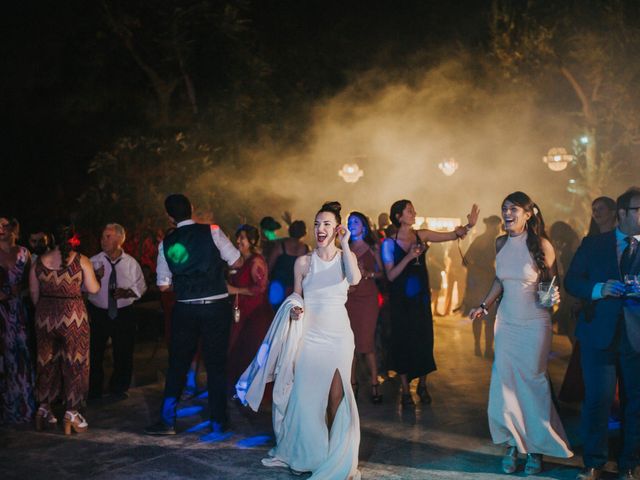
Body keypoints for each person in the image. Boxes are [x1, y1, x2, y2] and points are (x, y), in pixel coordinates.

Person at [239, 201, 362, 478]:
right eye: (317, 224)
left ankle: (335, 454)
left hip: (339, 337)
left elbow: (354, 280)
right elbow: (297, 295)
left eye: (327, 224)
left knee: (335, 398)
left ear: (337, 228)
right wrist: (295, 308)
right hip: (310, 336)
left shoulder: (346, 258)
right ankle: (309, 454)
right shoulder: (303, 262)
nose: (320, 229)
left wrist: (347, 243)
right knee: (306, 398)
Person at [469, 191, 573, 475]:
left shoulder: (543, 245)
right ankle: (513, 444)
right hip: (506, 322)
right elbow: (500, 280)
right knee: (505, 384)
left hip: (535, 323)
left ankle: (536, 449)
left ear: (529, 214)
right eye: (504, 208)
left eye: (513, 208)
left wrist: (551, 306)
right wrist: (483, 306)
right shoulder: (500, 242)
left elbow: (551, 288)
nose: (507, 213)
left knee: (533, 384)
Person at [145, 194, 242, 435]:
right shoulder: (213, 231)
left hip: (186, 307)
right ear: (192, 209)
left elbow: (164, 285)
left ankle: (167, 422)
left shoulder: (166, 243)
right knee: (216, 364)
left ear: (169, 216)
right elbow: (238, 262)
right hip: (216, 305)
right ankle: (218, 421)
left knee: (177, 364)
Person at [565, 187, 640, 480]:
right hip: (598, 333)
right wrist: (599, 289)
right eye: (638, 210)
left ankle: (630, 464)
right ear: (622, 213)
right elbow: (572, 281)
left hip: (636, 336)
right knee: (598, 400)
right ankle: (593, 463)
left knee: (635, 402)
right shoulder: (594, 244)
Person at [382, 200, 478, 405]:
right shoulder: (388, 243)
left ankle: (423, 385)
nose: (414, 212)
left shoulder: (421, 235)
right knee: (403, 342)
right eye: (409, 210)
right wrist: (409, 257)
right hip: (401, 302)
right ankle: (406, 391)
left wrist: (468, 226)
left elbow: (452, 235)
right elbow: (390, 276)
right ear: (399, 216)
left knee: (424, 340)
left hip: (420, 299)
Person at [29, 220, 100, 434]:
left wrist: (47, 310)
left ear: (50, 237)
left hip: (45, 316)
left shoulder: (38, 262)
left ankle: (43, 409)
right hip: (73, 317)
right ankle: (72, 412)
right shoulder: (81, 260)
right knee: (76, 363)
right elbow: (93, 289)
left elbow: (34, 294)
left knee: (45, 362)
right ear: (72, 237)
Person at [87, 223, 147, 400]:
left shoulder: (130, 263)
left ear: (120, 239)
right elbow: (83, 288)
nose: (103, 240)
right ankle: (94, 389)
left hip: (123, 311)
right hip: (98, 312)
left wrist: (127, 292)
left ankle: (119, 388)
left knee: (123, 351)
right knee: (95, 352)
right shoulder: (93, 261)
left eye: (108, 237)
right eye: (103, 236)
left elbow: (141, 287)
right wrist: (95, 277)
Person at [226, 224, 272, 395]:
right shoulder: (240, 260)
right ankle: (238, 389)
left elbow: (260, 287)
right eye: (238, 237)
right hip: (240, 310)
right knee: (236, 348)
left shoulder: (256, 261)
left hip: (254, 314)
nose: (238, 241)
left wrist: (234, 290)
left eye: (242, 238)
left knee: (248, 350)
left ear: (252, 241)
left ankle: (250, 391)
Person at [0, 216, 36, 423]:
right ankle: (7, 408)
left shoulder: (24, 253)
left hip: (19, 311)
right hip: (1, 313)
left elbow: (31, 283)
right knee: (5, 358)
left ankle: (25, 407)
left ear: (15, 229)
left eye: (6, 225)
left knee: (22, 355)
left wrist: (19, 291)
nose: (2, 229)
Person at [346, 211, 384, 404]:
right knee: (350, 343)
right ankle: (352, 384)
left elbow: (382, 273)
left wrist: (368, 273)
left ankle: (375, 383)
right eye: (350, 221)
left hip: (368, 297)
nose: (352, 224)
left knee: (367, 342)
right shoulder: (345, 247)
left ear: (364, 226)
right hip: (350, 297)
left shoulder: (373, 247)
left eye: (356, 221)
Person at [464, 215, 502, 358]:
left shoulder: (494, 241)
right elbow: (466, 260)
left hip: (488, 282)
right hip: (482, 283)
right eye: (497, 226)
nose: (499, 228)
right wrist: (481, 269)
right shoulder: (483, 241)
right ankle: (482, 347)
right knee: (485, 317)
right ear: (492, 226)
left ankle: (483, 348)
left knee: (487, 317)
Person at [268, 220, 309, 309]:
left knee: (276, 316)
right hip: (295, 289)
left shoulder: (280, 246)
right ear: (304, 233)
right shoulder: (305, 249)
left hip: (278, 288)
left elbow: (269, 267)